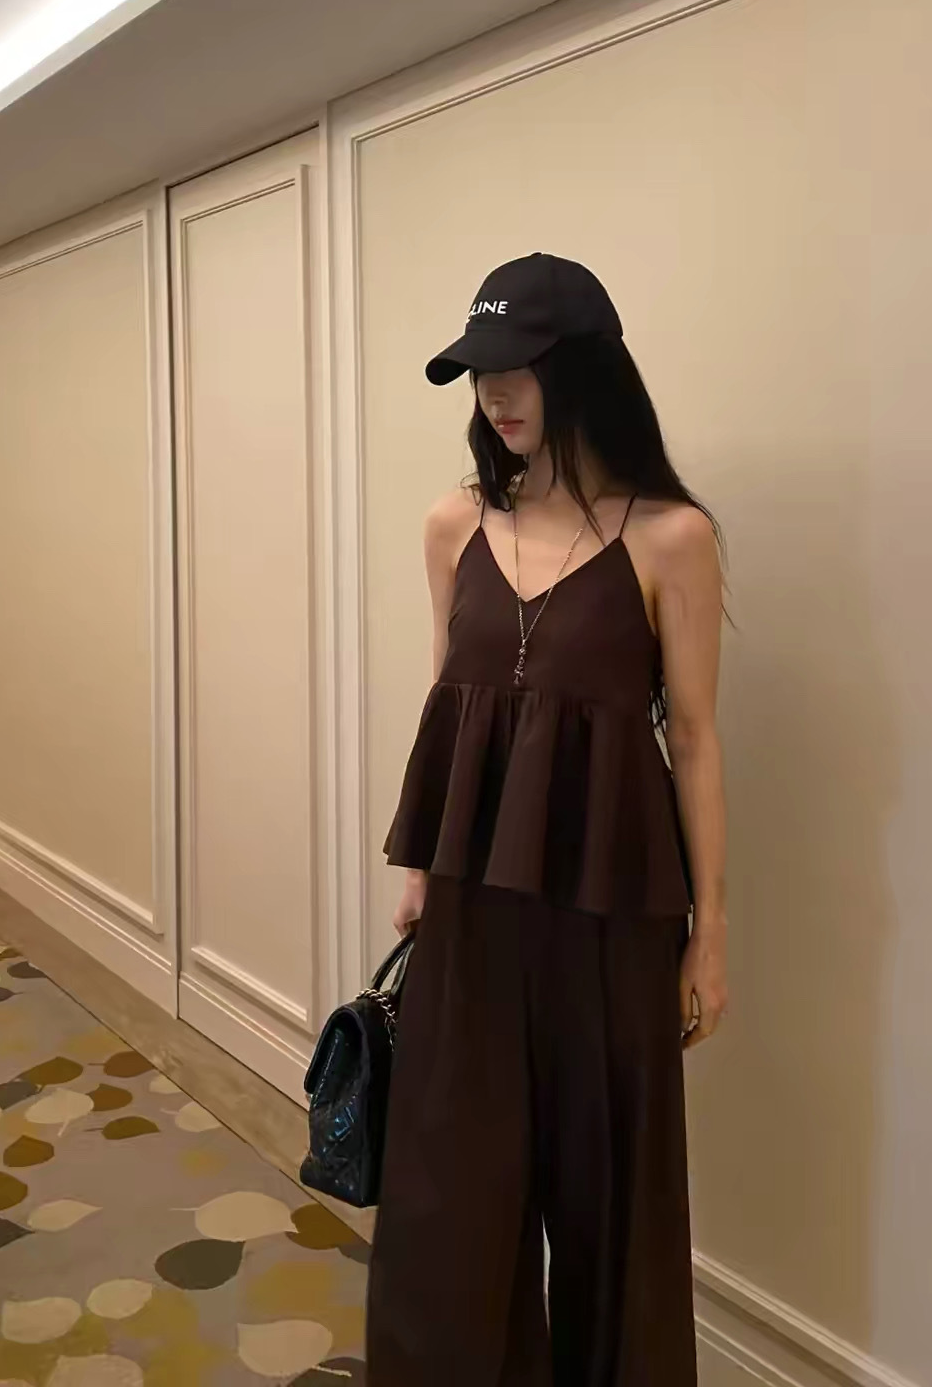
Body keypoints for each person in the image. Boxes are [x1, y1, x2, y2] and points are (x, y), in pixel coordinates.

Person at [365, 252, 728, 1386]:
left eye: (519, 367)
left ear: (585, 370)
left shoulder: (671, 537)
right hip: (472, 906)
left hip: (612, 914)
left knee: (612, 1199)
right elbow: (448, 702)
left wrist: (712, 935)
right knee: (451, 1197)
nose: (496, 394)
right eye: (480, 374)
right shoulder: (452, 524)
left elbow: (695, 741)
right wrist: (420, 871)